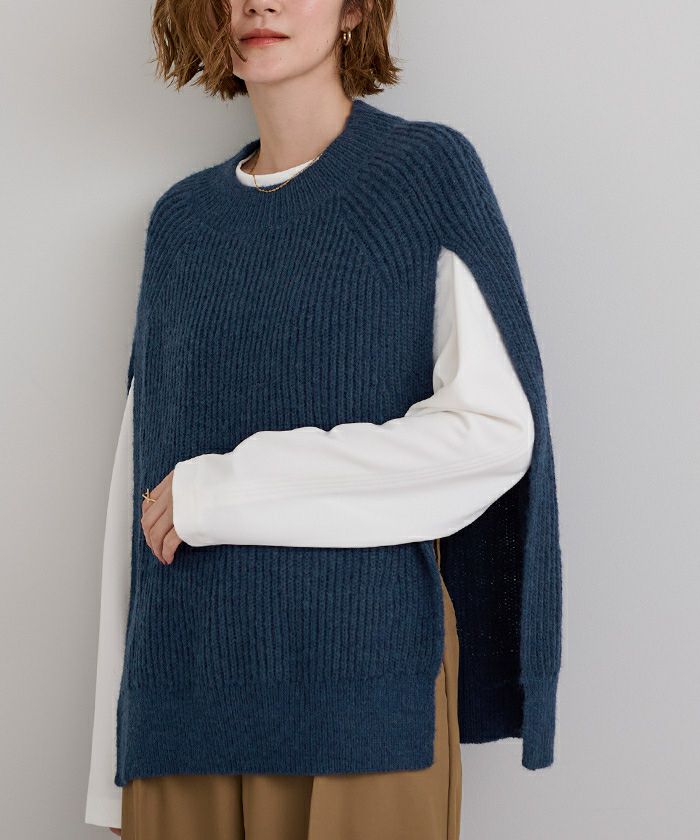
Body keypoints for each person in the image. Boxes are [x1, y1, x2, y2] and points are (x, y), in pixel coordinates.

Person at [85, 1, 562, 838]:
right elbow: (141, 483)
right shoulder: (181, 222)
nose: (259, 3)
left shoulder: (422, 173)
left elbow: (491, 433)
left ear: (355, 9)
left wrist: (230, 488)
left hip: (358, 712)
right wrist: (113, 760)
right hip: (180, 715)